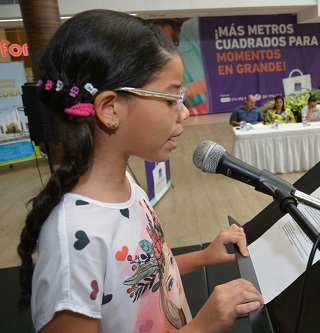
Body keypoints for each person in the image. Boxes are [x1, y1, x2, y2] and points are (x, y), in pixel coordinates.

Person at [16, 9, 263, 333]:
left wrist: (203, 257)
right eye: (171, 97)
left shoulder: (128, 186)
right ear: (110, 108)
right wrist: (201, 327)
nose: (185, 113)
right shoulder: (74, 242)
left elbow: (142, 275)